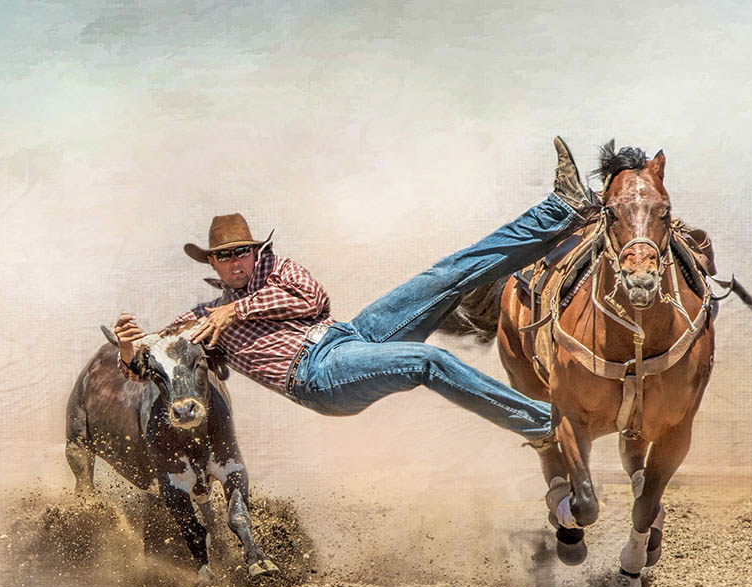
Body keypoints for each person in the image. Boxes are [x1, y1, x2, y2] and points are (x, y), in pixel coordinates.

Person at [111, 183, 600, 444]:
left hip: (347, 337)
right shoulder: (202, 319)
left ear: (254, 251)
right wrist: (133, 347)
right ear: (212, 264)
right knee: (426, 363)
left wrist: (235, 312)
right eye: (225, 255)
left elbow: (313, 301)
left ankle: (560, 209)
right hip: (318, 376)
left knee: (446, 276)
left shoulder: (275, 271)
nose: (237, 260)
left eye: (243, 251)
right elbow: (159, 357)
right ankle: (546, 425)